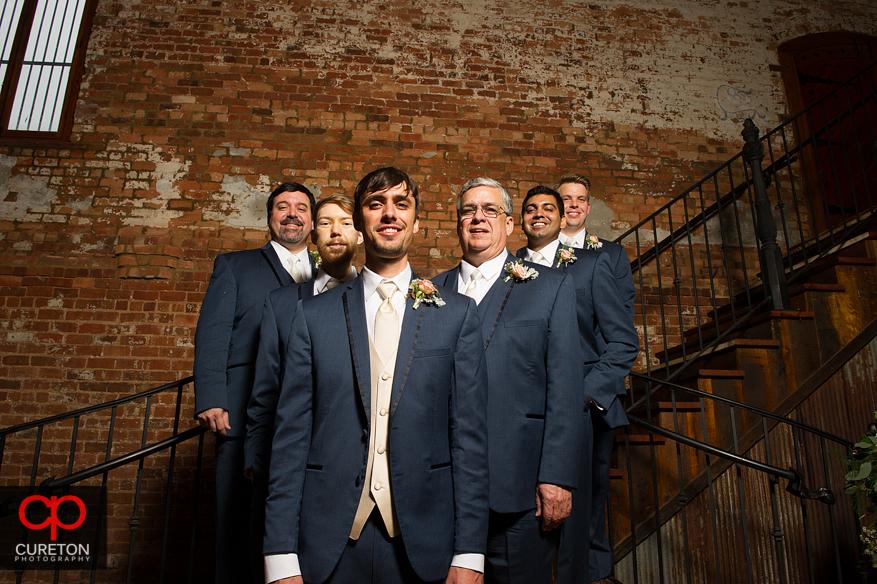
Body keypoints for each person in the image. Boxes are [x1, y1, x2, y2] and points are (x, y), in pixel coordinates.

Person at [262, 167, 490, 584]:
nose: (389, 214)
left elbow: (469, 438)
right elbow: (290, 439)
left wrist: (470, 552)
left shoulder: (457, 316)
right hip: (327, 540)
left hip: (424, 540)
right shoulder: (312, 317)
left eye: (401, 205)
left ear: (416, 223)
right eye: (375, 204)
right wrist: (279, 556)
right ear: (360, 223)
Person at [431, 177, 580, 584]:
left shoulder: (550, 287)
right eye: (468, 211)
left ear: (510, 224)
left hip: (519, 488)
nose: (477, 218)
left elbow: (565, 389)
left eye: (489, 210)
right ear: (458, 223)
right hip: (441, 490)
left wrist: (557, 477)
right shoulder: (429, 292)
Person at [193, 182, 316, 584]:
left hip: (309, 417)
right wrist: (213, 397)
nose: (292, 214)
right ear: (270, 217)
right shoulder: (235, 264)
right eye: (283, 207)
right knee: (236, 523)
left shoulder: (331, 272)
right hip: (243, 417)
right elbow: (213, 332)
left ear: (312, 220)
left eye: (300, 207)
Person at [516, 185, 639, 584]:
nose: (540, 214)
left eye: (547, 207)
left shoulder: (595, 262)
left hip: (584, 405)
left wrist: (583, 394)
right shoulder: (509, 265)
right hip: (525, 407)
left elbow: (622, 341)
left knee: (584, 501)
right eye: (530, 208)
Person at [245, 193, 362, 581]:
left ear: (360, 233)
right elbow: (264, 392)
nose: (335, 231)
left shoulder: (383, 297)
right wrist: (258, 466)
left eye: (345, 222)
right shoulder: (281, 303)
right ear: (313, 232)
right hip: (292, 466)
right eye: (326, 222)